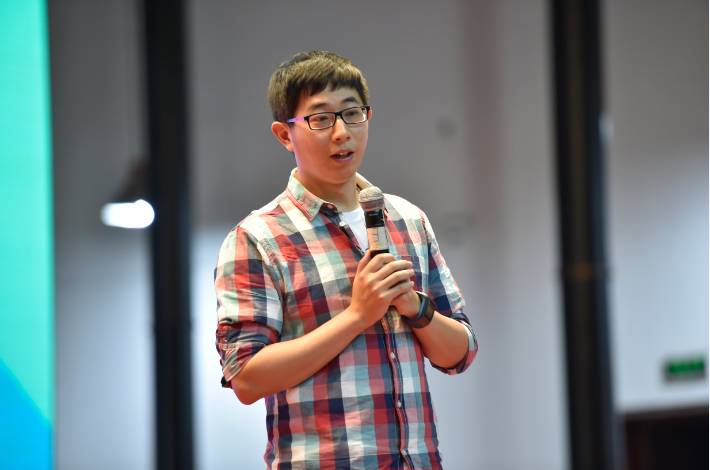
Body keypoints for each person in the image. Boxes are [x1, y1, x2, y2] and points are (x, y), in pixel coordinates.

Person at [214, 50, 478, 470]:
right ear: (285, 135)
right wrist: (357, 315)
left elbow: (460, 352)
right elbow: (246, 377)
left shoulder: (408, 220)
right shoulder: (258, 238)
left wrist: (414, 306)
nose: (341, 133)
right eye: (321, 119)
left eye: (352, 114)